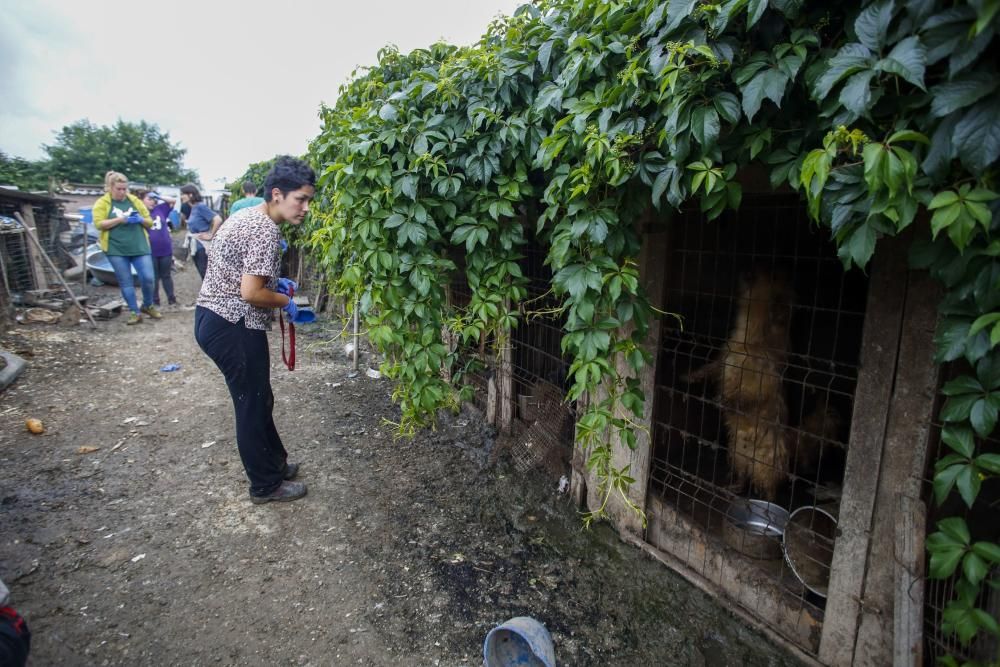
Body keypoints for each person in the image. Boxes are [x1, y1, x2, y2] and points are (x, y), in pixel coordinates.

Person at [194, 156, 315, 504]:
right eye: (301, 199)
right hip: (232, 324)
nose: (305, 208)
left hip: (215, 318)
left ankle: (276, 463)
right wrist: (285, 301)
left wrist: (278, 282)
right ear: (277, 194)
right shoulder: (264, 229)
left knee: (261, 398)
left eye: (308, 200)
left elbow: (242, 272)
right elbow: (251, 293)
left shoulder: (247, 216)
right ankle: (265, 485)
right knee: (251, 404)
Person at [91, 171, 161, 324]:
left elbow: (149, 222)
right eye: (119, 189)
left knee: (148, 278)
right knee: (126, 281)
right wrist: (120, 219)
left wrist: (141, 219)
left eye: (124, 189)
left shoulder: (134, 200)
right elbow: (99, 224)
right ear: (110, 187)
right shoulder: (102, 203)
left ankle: (148, 305)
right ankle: (134, 312)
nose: (122, 192)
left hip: (139, 245)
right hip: (116, 248)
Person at [142, 191, 178, 310]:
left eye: (154, 199)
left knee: (166, 275)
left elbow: (173, 201)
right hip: (150, 251)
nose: (153, 201)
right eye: (149, 198)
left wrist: (158, 196)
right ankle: (155, 302)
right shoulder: (140, 213)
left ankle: (172, 300)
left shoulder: (160, 209)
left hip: (165, 249)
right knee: (154, 277)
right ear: (142, 200)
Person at [179, 184, 222, 279]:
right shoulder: (193, 208)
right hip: (196, 245)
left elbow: (217, 219)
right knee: (203, 273)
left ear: (190, 195)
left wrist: (211, 235)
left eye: (183, 194)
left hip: (202, 247)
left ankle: (211, 293)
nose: (181, 196)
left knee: (206, 274)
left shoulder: (200, 207)